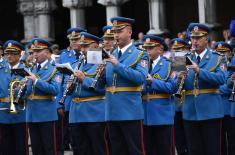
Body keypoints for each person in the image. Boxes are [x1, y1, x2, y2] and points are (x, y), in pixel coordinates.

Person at [177, 23, 225, 155]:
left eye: (198, 38)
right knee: (194, 150)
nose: (195, 41)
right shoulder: (181, 58)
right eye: (192, 38)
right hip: (190, 111)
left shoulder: (218, 57)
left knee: (212, 149)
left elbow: (221, 79)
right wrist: (179, 79)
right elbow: (175, 89)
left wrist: (199, 71)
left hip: (210, 111)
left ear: (206, 39)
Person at [104, 16, 148, 155]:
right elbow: (105, 84)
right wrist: (99, 77)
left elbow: (140, 78)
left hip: (130, 111)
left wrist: (118, 65)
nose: (116, 35)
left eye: (119, 31)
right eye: (114, 32)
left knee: (135, 150)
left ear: (129, 32)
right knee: (117, 150)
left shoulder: (139, 54)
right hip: (112, 110)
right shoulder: (111, 54)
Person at [69, 32, 108, 155]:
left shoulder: (102, 63)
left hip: (94, 113)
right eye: (82, 46)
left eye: (86, 46)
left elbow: (103, 87)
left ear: (96, 46)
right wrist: (70, 86)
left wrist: (84, 79)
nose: (83, 49)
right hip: (76, 113)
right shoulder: (77, 63)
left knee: (98, 149)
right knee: (80, 149)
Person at [142, 35, 177, 155]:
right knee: (148, 150)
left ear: (160, 50)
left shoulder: (170, 64)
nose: (147, 51)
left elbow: (173, 87)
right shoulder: (142, 65)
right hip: (145, 115)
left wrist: (153, 82)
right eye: (146, 48)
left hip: (162, 115)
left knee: (164, 150)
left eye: (150, 48)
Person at [25, 38, 60, 155]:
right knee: (36, 149)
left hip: (46, 115)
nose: (35, 54)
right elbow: (28, 93)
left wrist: (36, 81)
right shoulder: (31, 69)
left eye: (38, 51)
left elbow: (55, 90)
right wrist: (22, 87)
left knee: (49, 148)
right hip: (32, 114)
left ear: (46, 52)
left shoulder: (54, 69)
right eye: (34, 51)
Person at [56, 27, 87, 153]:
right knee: (73, 137)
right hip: (68, 100)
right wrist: (59, 102)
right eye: (72, 39)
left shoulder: (91, 55)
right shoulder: (64, 56)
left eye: (77, 39)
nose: (74, 42)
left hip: (86, 99)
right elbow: (60, 80)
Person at [0, 40, 28, 155]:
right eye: (7, 53)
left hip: (19, 113)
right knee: (5, 148)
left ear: (19, 55)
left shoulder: (25, 70)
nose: (9, 56)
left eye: (13, 53)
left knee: (20, 147)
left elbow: (28, 91)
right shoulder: (1, 70)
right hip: (3, 114)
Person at [170, 38, 190, 155]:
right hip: (176, 105)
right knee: (179, 139)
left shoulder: (190, 61)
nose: (177, 52)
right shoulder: (171, 62)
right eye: (175, 49)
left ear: (185, 49)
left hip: (187, 105)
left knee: (190, 138)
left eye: (180, 49)